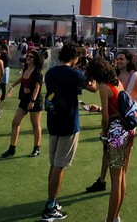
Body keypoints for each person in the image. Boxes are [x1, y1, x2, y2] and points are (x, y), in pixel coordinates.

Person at [39, 42, 95, 222]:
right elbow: (92, 87)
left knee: (54, 163)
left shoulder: (50, 72)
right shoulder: (75, 74)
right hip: (69, 122)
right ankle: (50, 206)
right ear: (76, 57)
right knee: (60, 164)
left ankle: (52, 202)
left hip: (53, 121)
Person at [86, 51, 137, 195]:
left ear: (128, 60)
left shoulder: (134, 77)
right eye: (117, 58)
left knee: (122, 159)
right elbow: (112, 105)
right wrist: (100, 109)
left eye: (121, 59)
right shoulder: (116, 78)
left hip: (125, 123)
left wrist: (136, 111)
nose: (118, 61)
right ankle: (103, 181)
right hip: (119, 121)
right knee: (108, 154)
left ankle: (118, 185)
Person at [86, 56, 135, 222]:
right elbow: (116, 108)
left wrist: (104, 134)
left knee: (115, 180)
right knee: (121, 176)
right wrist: (99, 109)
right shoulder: (117, 82)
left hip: (116, 133)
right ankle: (116, 216)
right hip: (128, 130)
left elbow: (106, 118)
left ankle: (110, 219)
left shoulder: (104, 87)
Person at [1, 50, 45, 158]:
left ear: (35, 59)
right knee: (15, 123)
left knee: (35, 125)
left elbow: (37, 87)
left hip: (34, 101)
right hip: (24, 99)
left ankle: (36, 148)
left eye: (31, 57)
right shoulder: (26, 68)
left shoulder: (38, 72)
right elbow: (22, 78)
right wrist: (12, 85)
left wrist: (33, 101)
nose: (28, 58)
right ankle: (12, 148)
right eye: (28, 56)